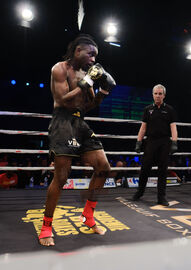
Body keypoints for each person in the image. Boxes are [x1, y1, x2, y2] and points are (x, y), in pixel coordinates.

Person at [38, 34, 116, 246]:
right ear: (77, 51)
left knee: (104, 168)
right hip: (62, 121)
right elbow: (62, 100)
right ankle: (46, 227)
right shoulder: (59, 69)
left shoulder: (86, 74)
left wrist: (103, 92)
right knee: (61, 177)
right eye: (90, 54)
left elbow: (86, 106)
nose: (93, 59)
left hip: (80, 123)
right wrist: (87, 82)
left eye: (95, 56)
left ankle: (88, 216)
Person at [132, 84, 178, 206]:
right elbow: (143, 128)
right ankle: (139, 192)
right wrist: (138, 141)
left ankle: (161, 197)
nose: (158, 96)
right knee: (145, 168)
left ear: (164, 95)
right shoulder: (148, 109)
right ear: (153, 95)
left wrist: (174, 142)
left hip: (164, 142)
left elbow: (173, 127)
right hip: (150, 141)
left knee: (162, 170)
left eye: (160, 94)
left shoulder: (169, 110)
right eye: (156, 93)